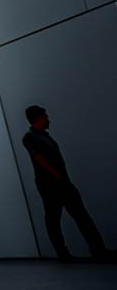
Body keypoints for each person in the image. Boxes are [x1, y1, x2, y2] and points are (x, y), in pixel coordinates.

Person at [22, 105, 109, 261]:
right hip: (50, 185)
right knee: (54, 219)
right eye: (45, 116)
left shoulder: (44, 136)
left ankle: (98, 250)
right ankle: (63, 253)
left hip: (61, 182)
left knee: (80, 215)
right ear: (38, 118)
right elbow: (38, 157)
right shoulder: (30, 137)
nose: (48, 120)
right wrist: (54, 173)